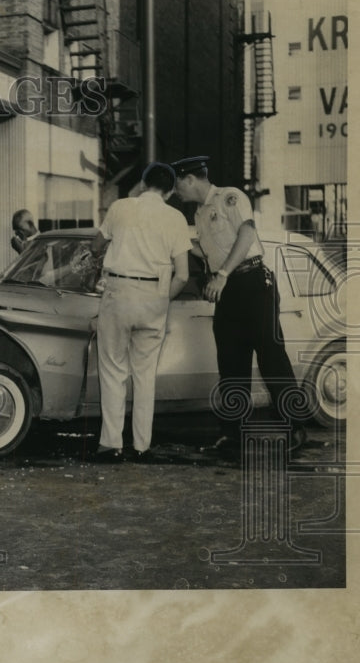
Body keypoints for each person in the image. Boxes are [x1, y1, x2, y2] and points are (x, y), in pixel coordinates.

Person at [171, 155, 308, 454]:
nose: (175, 191)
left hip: (253, 283)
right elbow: (207, 250)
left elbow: (247, 234)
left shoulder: (229, 197)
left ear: (190, 179)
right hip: (227, 290)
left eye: (177, 184)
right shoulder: (198, 213)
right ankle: (233, 435)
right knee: (231, 363)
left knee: (271, 358)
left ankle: (295, 428)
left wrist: (221, 274)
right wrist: (175, 244)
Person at [90, 162, 191, 459]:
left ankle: (111, 444)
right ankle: (141, 446)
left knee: (112, 370)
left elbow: (96, 247)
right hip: (154, 297)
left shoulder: (120, 207)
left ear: (144, 183)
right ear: (170, 191)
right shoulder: (175, 217)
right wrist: (161, 301)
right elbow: (183, 275)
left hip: (119, 293)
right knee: (145, 375)